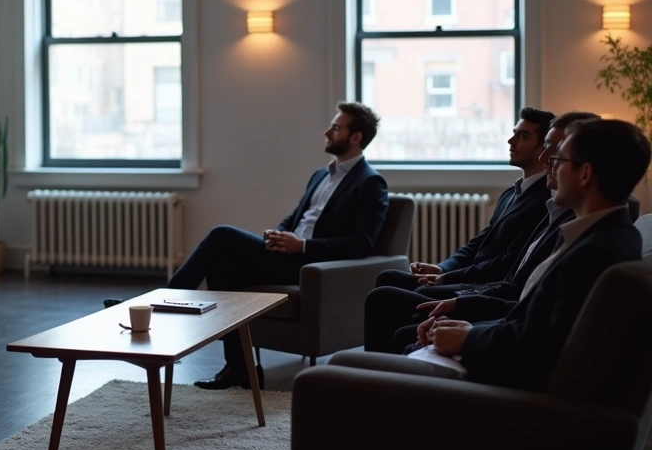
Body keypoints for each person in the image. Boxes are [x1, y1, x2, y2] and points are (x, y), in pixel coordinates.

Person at [411, 118, 649, 390]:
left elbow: (542, 347)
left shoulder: (595, 251)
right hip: (506, 352)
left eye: (559, 159)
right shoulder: (606, 234)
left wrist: (469, 339)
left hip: (510, 397)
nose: (550, 166)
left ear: (585, 174)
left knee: (402, 348)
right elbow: (540, 321)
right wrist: (470, 328)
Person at [170, 102, 389, 390]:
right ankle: (242, 369)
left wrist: (303, 246)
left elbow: (363, 243)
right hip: (287, 255)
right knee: (222, 269)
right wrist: (279, 233)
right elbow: (296, 217)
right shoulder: (321, 175)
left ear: (356, 137)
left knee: (221, 235)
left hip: (310, 265)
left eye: (336, 127)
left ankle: (163, 304)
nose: (327, 131)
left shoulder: (370, 182)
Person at [381, 112, 599, 353]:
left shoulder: (585, 239)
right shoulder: (556, 214)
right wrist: (445, 269)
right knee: (394, 290)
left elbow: (537, 328)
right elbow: (487, 247)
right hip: (496, 301)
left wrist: (469, 329)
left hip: (493, 301)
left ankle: (361, 378)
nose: (545, 158)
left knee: (393, 305)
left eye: (556, 152)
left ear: (585, 172)